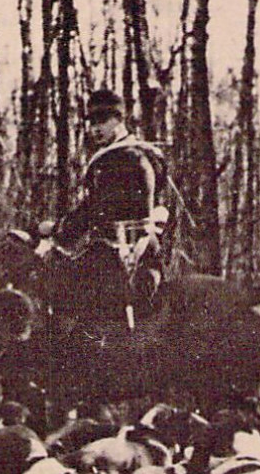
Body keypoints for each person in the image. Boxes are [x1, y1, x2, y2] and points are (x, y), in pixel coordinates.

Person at [35, 88, 169, 326]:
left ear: (119, 119)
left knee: (54, 285)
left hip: (118, 254)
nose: (96, 128)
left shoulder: (123, 157)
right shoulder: (133, 154)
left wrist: (58, 229)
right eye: (92, 122)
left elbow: (96, 209)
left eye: (103, 121)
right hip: (135, 250)